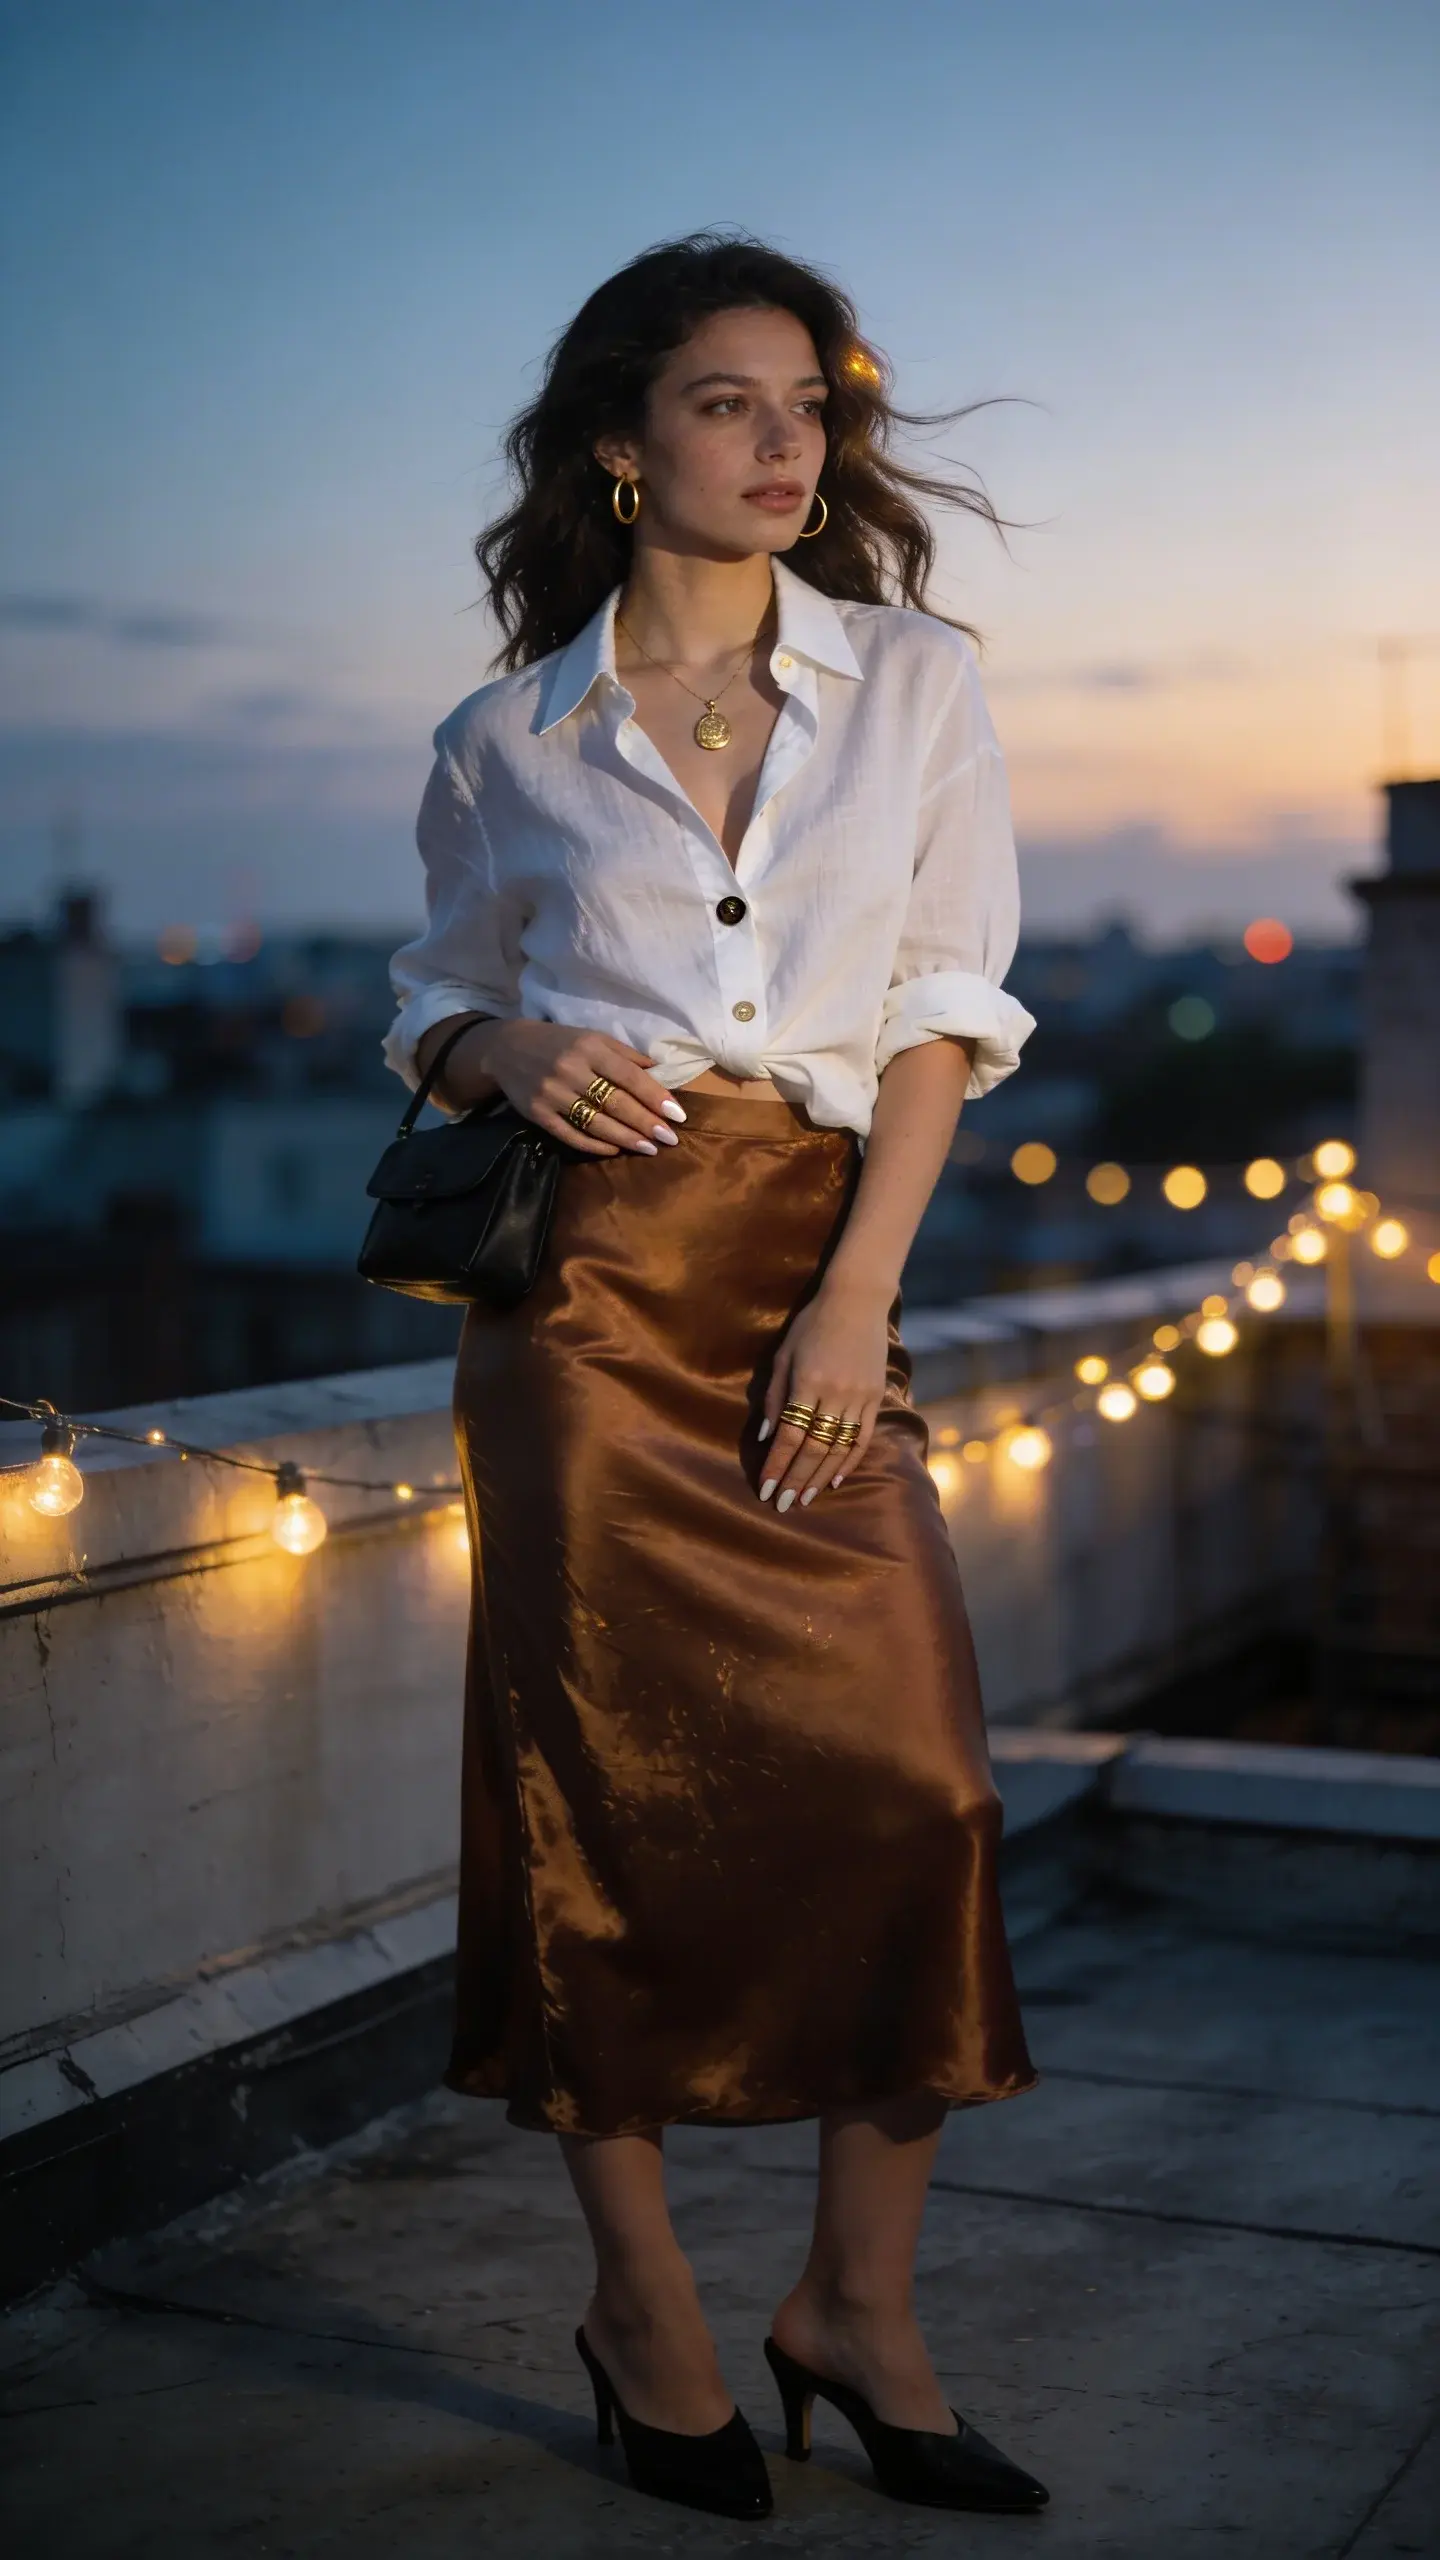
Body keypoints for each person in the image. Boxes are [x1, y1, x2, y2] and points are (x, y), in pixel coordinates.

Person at [382, 231, 1047, 2524]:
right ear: (617, 440)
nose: (789, 448)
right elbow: (430, 999)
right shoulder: (505, 733)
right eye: (733, 404)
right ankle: (646, 2308)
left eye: (811, 409)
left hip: (814, 1270)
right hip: (585, 1318)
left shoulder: (917, 679)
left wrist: (861, 1296)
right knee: (602, 1821)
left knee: (920, 1789)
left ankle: (853, 2308)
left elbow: (949, 1009)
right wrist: (512, 1042)